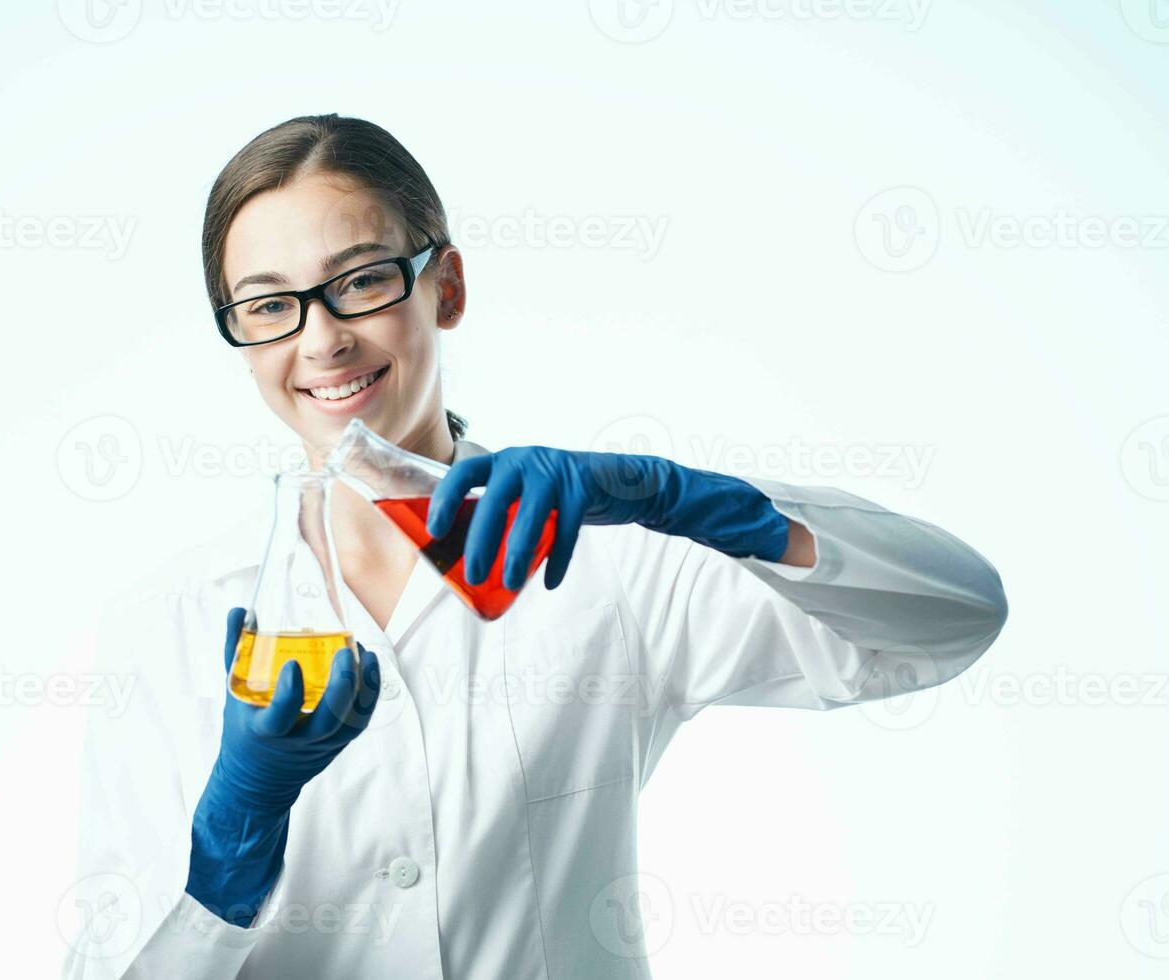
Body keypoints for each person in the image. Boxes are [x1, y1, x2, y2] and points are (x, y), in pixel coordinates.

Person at [62, 114, 1008, 980]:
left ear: (448, 286)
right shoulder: (172, 630)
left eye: (360, 281)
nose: (322, 341)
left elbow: (951, 619)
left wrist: (696, 503)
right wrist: (229, 848)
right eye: (269, 306)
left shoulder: (609, 564)